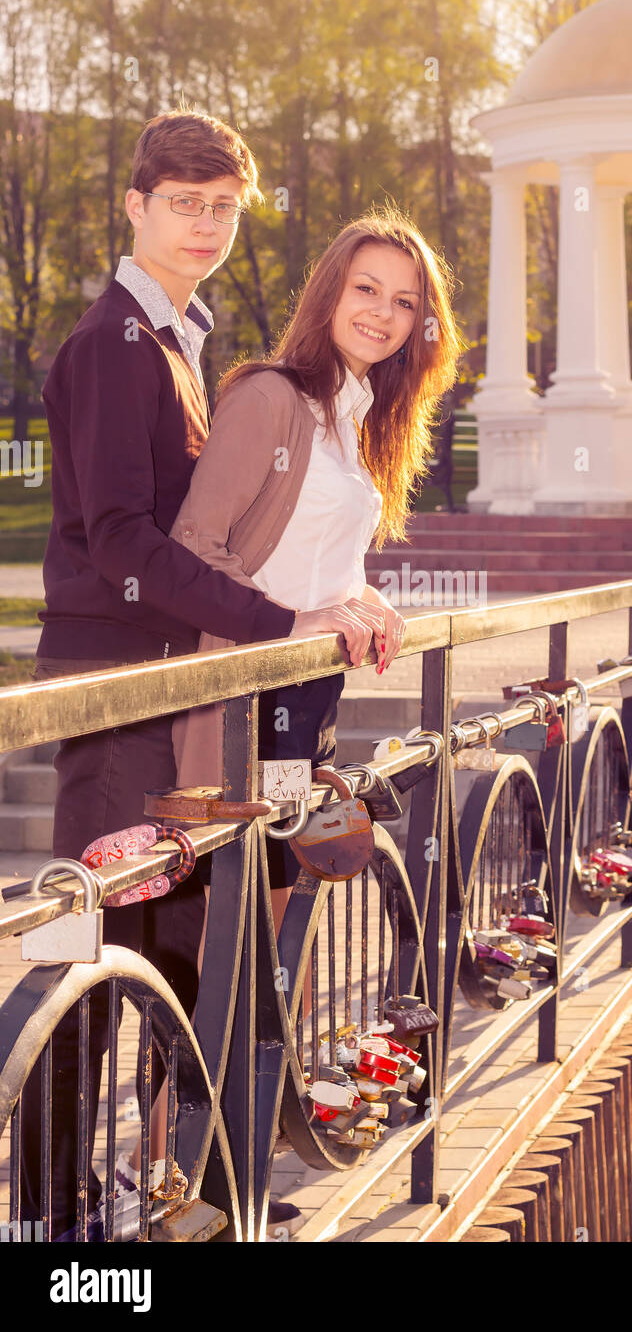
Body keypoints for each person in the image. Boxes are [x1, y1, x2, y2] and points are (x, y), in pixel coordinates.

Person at [19, 107, 382, 1241]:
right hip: (118, 688)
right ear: (135, 206)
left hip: (176, 691)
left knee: (175, 946)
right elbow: (125, 542)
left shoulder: (179, 338)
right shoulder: (109, 346)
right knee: (99, 943)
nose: (205, 225)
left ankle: (174, 1183)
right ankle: (51, 1209)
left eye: (224, 206)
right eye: (184, 203)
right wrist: (277, 621)